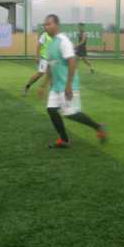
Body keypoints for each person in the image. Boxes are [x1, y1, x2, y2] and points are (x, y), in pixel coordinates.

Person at [38, 14, 107, 148]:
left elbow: (72, 62)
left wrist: (68, 85)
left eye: (49, 24)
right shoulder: (51, 44)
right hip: (56, 87)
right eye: (45, 24)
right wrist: (44, 85)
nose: (46, 27)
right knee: (51, 110)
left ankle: (98, 127)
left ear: (56, 25)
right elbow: (51, 66)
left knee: (70, 114)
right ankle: (64, 140)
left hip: (66, 85)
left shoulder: (64, 41)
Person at [23, 30, 53, 96]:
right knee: (40, 73)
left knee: (53, 75)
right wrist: (37, 56)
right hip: (44, 58)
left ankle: (53, 93)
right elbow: (39, 45)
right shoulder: (45, 35)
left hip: (52, 58)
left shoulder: (56, 36)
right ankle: (27, 86)